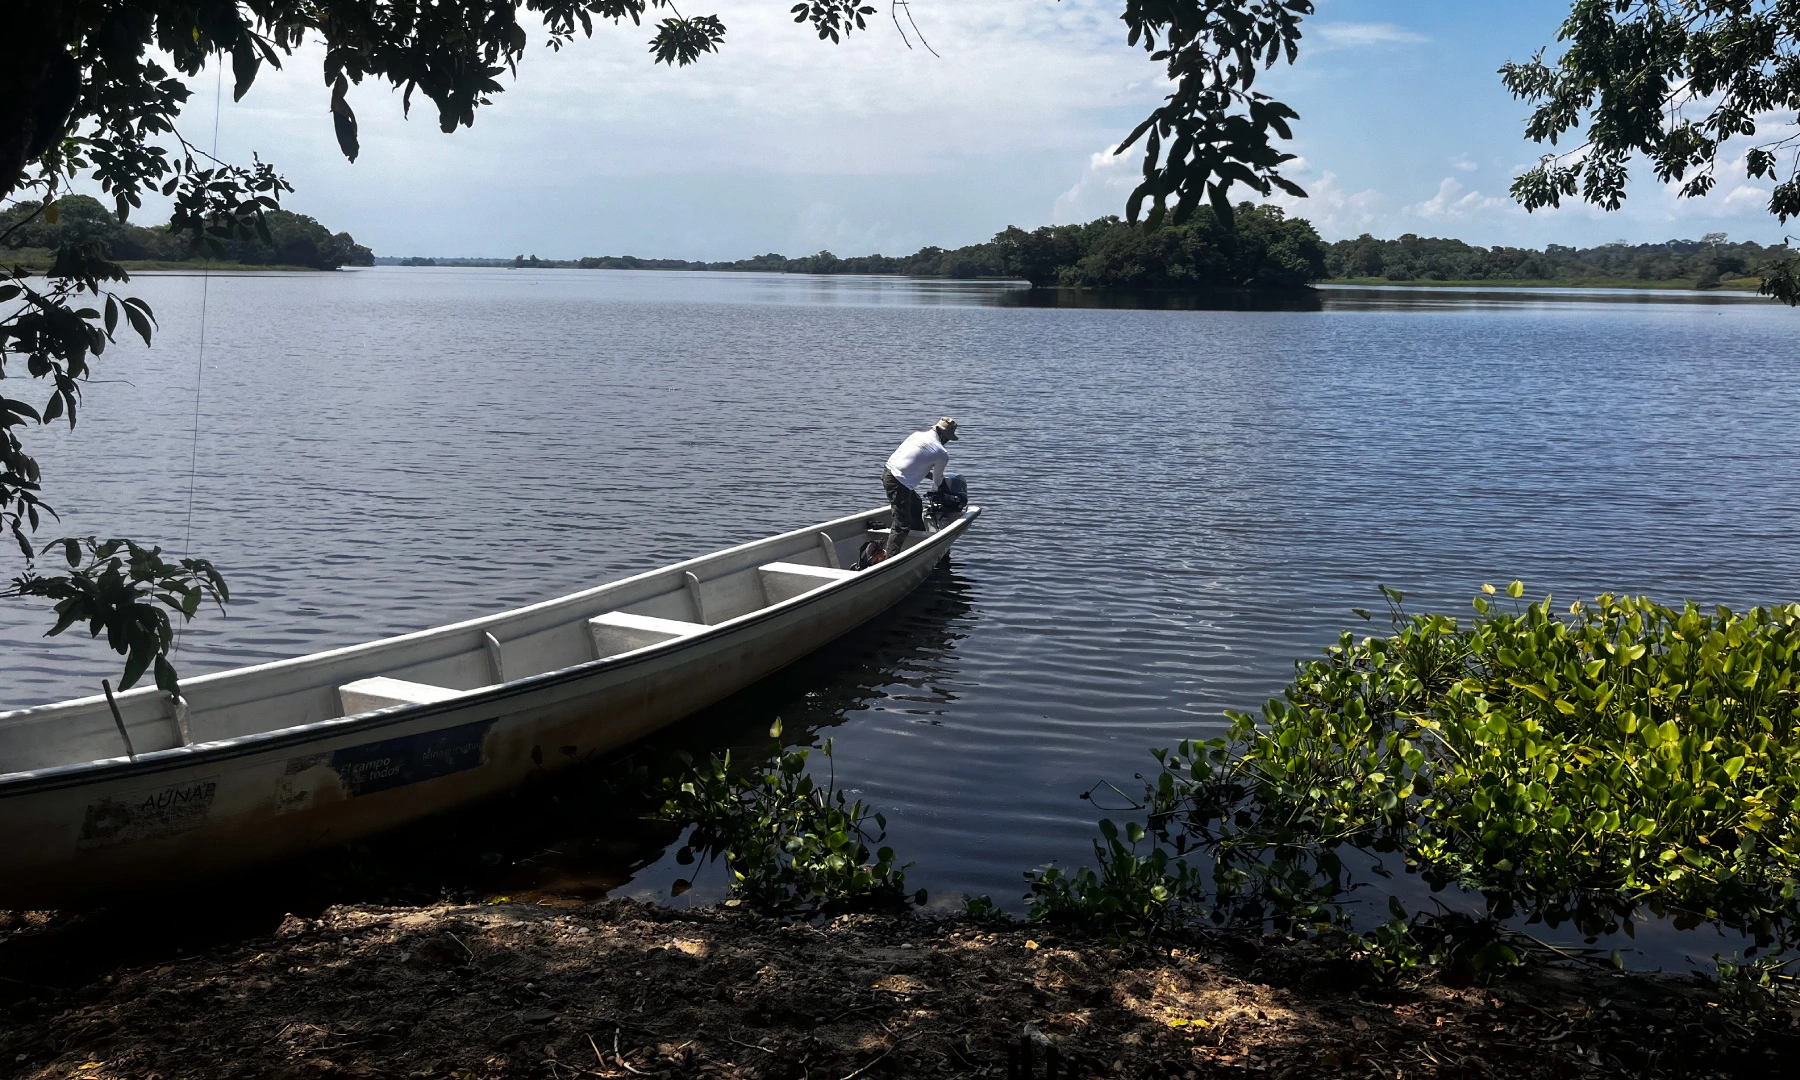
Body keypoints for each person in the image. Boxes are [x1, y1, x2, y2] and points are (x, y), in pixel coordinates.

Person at [881, 417, 957, 557]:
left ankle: (920, 541)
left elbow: (912, 464)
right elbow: (938, 482)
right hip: (900, 483)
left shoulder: (917, 435)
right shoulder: (941, 453)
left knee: (916, 503)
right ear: (944, 436)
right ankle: (890, 559)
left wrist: (931, 476)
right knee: (902, 525)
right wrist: (942, 482)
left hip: (888, 473)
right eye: (948, 439)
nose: (947, 442)